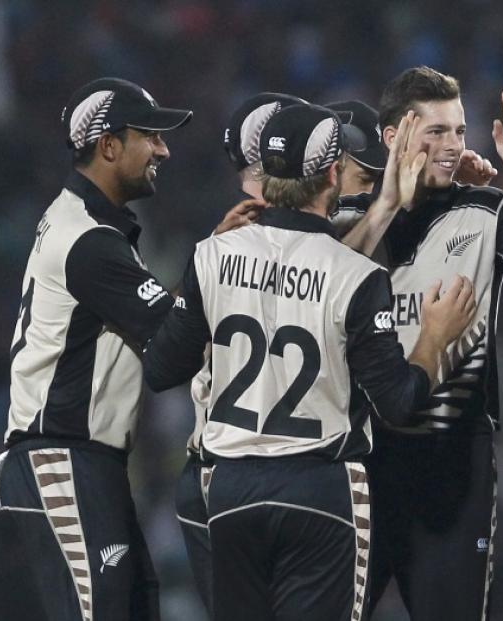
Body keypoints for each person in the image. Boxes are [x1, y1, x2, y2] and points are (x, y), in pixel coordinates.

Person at [142, 102, 477, 621]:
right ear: (330, 173)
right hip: (318, 488)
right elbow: (399, 403)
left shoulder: (211, 253)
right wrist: (433, 339)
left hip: (229, 489)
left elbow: (161, 370)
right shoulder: (358, 276)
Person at [334, 67, 503, 620]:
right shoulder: (348, 218)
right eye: (435, 132)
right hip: (358, 462)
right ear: (393, 136)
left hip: (453, 467)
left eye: (459, 132)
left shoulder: (485, 212)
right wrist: (385, 207)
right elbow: (319, 288)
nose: (451, 147)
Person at [0, 77, 190, 621]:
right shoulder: (89, 241)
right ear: (108, 146)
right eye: (150, 136)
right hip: (64, 458)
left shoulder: (83, 224)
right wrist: (227, 271)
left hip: (80, 460)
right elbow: (172, 348)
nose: (163, 150)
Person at [174, 91, 306, 613]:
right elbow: (170, 356)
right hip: (237, 467)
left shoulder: (219, 244)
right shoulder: (239, 240)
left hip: (247, 471)